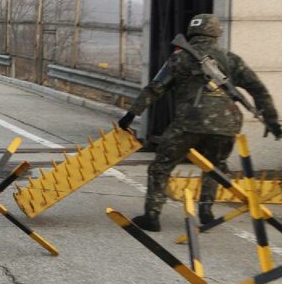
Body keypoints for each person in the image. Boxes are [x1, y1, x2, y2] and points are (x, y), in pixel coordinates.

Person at [118, 13, 281, 231]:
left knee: (161, 166)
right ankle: (206, 209)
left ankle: (152, 216)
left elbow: (155, 88)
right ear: (216, 32)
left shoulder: (179, 58)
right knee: (214, 167)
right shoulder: (230, 59)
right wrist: (272, 121)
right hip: (226, 124)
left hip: (188, 123)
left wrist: (131, 114)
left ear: (192, 32)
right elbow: (258, 90)